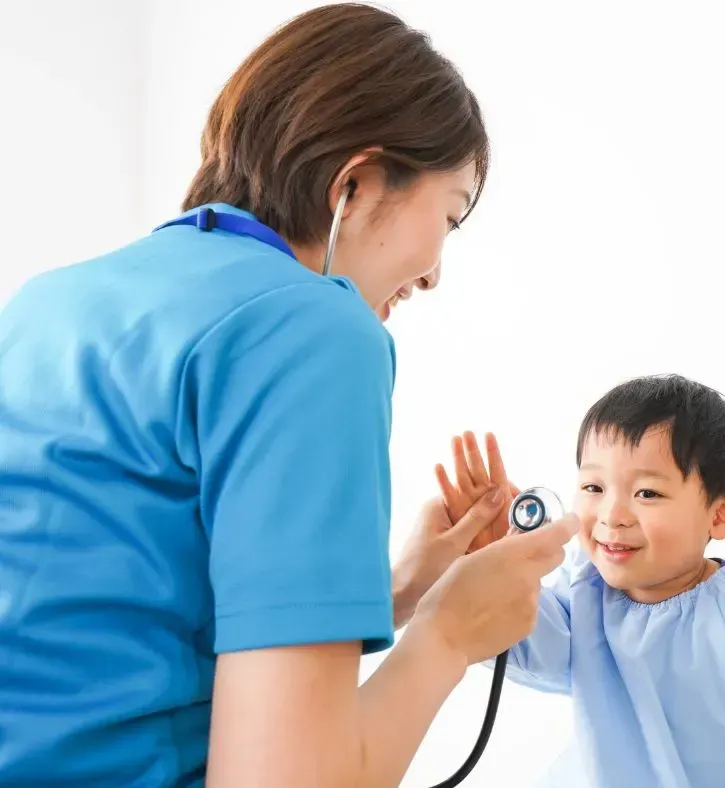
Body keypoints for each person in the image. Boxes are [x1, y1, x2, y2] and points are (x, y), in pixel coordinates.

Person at [0, 5, 579, 787]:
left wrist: (402, 590)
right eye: (447, 214)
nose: (436, 272)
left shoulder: (51, 300)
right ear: (356, 182)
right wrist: (449, 632)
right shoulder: (316, 328)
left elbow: (110, 614)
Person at [438, 375, 725, 788]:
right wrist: (490, 567)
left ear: (721, 514)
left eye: (647, 493)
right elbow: (536, 647)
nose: (612, 514)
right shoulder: (587, 586)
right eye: (593, 486)